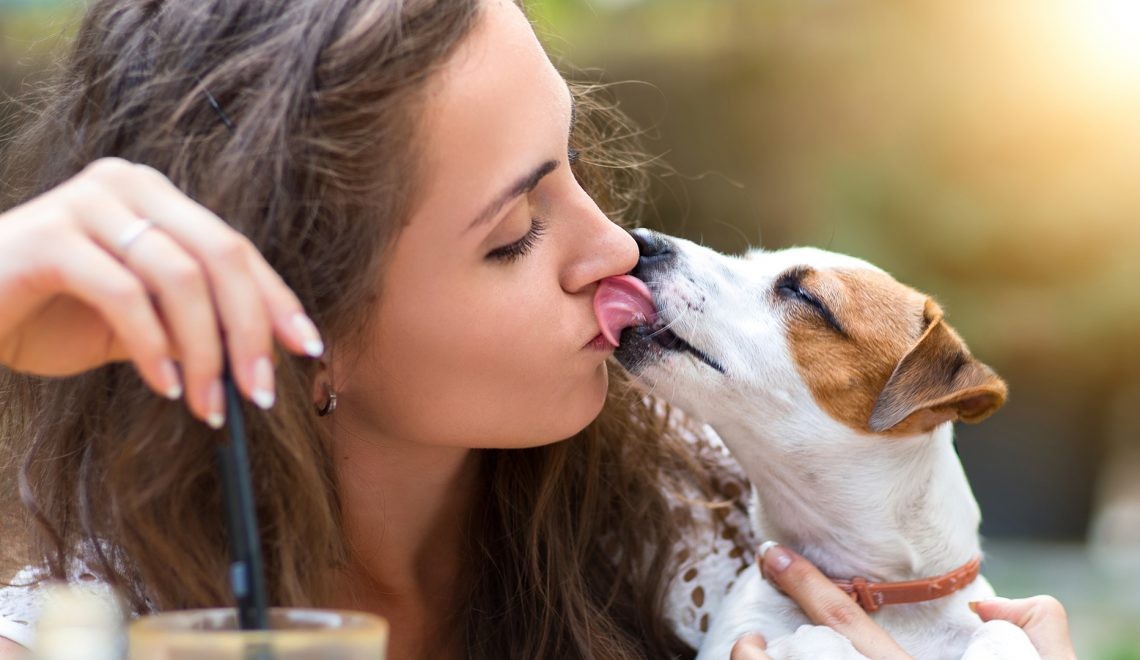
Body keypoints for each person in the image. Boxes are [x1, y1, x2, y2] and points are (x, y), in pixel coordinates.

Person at [0, 0, 1076, 658]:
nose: (617, 247)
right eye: (515, 230)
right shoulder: (89, 621)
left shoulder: (700, 507)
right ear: (300, 326)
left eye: (576, 167)